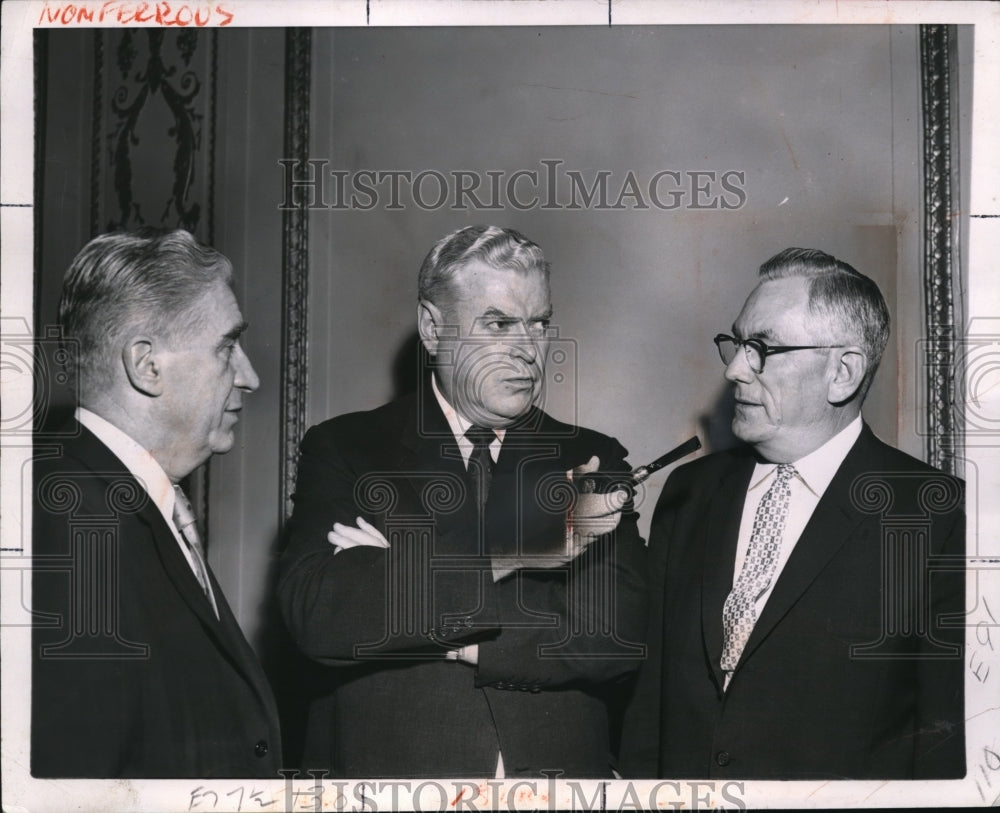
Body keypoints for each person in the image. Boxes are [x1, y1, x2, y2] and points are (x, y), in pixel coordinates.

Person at [278, 225, 647, 778]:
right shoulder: (346, 448)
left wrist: (423, 602)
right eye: (499, 324)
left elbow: (618, 634)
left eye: (540, 323)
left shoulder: (592, 456)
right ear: (433, 327)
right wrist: (510, 553)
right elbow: (320, 616)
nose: (528, 350)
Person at [620, 247, 965, 779]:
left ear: (842, 372)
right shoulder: (690, 492)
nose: (736, 369)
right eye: (737, 343)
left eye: (764, 348)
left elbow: (945, 738)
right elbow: (650, 703)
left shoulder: (938, 516)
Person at [31, 229, 282, 778]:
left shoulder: (118, 504)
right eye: (226, 346)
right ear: (146, 365)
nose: (250, 376)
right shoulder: (73, 527)